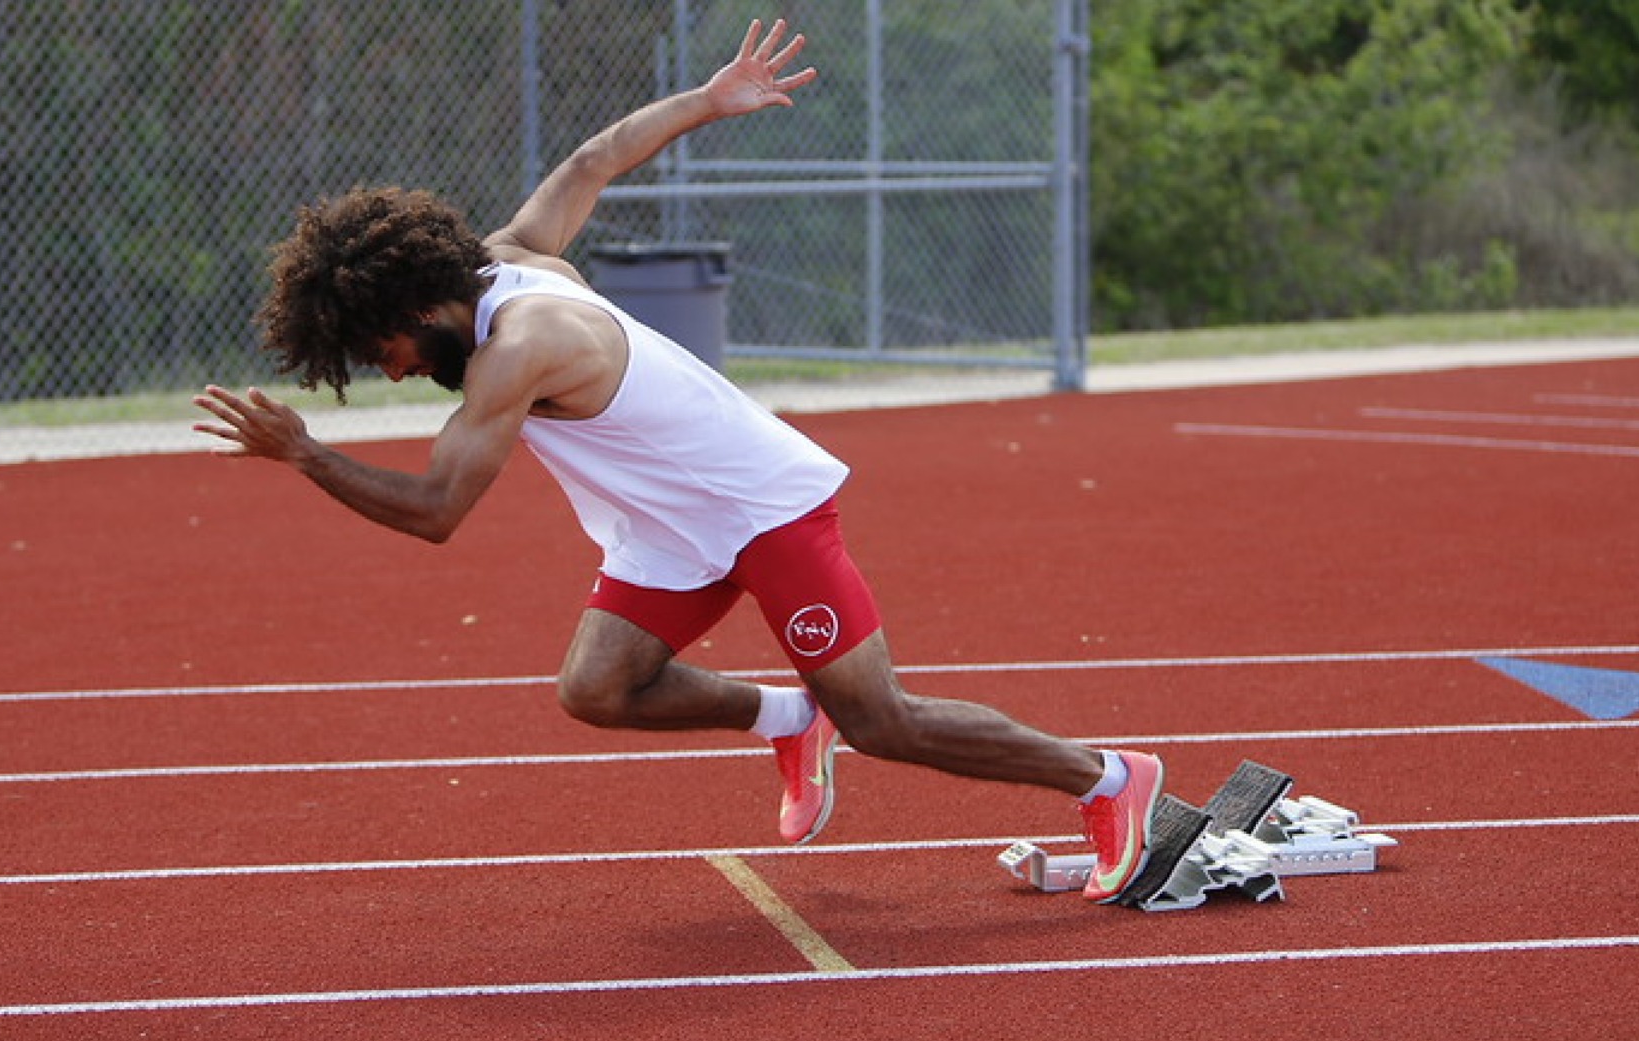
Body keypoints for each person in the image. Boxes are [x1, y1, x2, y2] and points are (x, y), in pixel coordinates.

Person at [193, 18, 1165, 904]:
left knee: (884, 721)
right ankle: (787, 719)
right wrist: (706, 100)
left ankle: (1110, 778)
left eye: (382, 353)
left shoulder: (518, 347)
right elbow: (591, 159)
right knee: (598, 687)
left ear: (411, 312)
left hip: (757, 508)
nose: (393, 373)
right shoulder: (511, 253)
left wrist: (306, 453)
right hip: (669, 527)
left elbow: (437, 509)